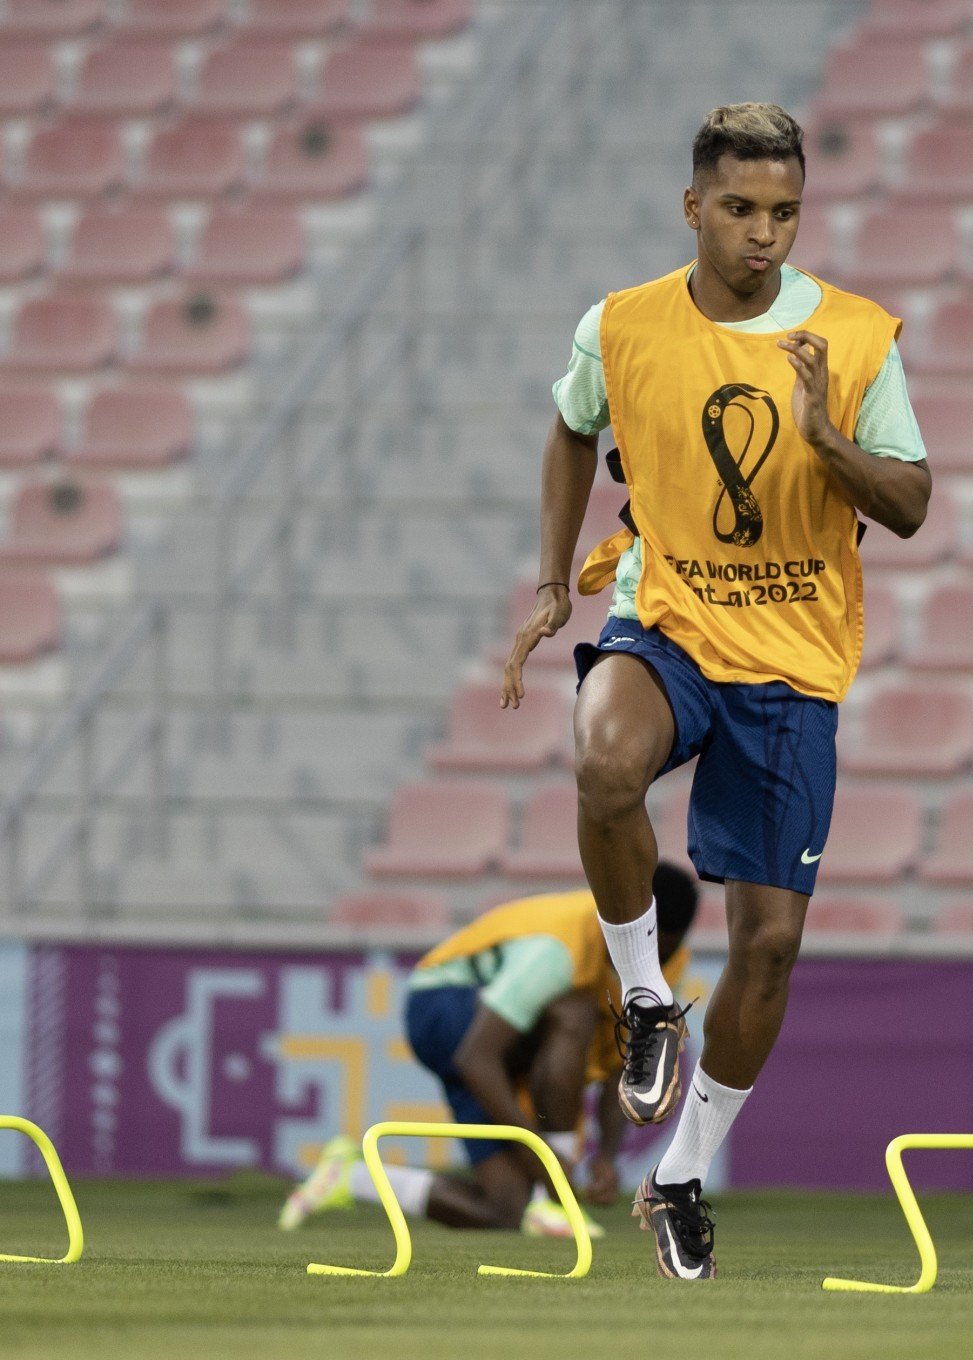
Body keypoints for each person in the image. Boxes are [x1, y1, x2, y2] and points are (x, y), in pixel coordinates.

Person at [498, 102, 930, 1280]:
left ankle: (681, 1168)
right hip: (669, 617)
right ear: (694, 205)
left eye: (784, 212)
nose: (764, 234)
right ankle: (646, 1001)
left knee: (772, 946)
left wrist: (826, 437)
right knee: (602, 756)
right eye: (740, 209)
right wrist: (551, 581)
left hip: (792, 660)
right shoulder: (622, 325)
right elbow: (568, 429)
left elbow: (909, 504)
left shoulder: (852, 336)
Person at [279, 864, 698, 1236]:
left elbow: (623, 1062)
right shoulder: (557, 949)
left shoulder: (665, 966)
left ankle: (349, 1176)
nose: (645, 963)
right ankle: (554, 1193)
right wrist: (542, 1155)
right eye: (642, 947)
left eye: (662, 953)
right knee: (575, 1013)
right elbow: (475, 1057)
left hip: (494, 1040)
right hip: (441, 1004)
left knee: (502, 1208)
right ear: (624, 924)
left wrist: (606, 1157)